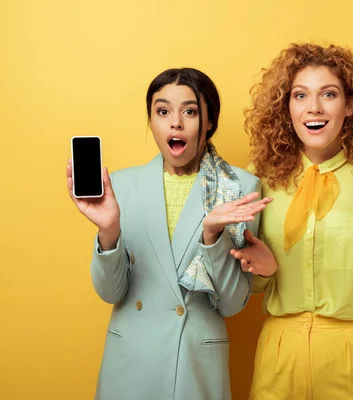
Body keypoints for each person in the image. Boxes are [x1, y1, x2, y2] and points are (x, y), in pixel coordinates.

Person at [231, 43, 353, 399]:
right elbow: (250, 287)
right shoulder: (258, 179)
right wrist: (263, 271)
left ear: (350, 105)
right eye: (300, 95)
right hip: (280, 351)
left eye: (329, 94)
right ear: (286, 107)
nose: (314, 107)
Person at [66, 67, 271, 400]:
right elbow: (111, 292)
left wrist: (212, 235)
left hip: (193, 362)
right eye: (162, 111)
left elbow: (232, 305)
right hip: (130, 360)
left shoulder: (239, 187)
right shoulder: (121, 186)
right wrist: (109, 232)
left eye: (190, 111)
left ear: (209, 122)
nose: (175, 122)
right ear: (152, 122)